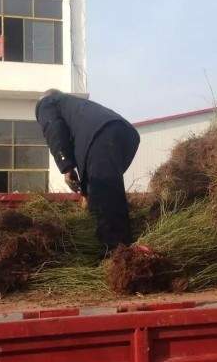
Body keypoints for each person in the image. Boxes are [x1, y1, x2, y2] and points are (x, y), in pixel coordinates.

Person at [36, 90, 140, 253]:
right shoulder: (78, 111)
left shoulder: (47, 102)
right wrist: (86, 192)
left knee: (105, 201)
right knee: (108, 192)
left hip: (103, 134)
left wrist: (66, 167)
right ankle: (123, 248)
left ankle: (115, 254)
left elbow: (53, 128)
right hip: (125, 135)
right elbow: (88, 160)